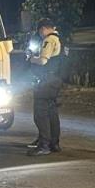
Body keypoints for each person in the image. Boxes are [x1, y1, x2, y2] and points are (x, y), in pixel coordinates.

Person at [27, 19, 64, 156]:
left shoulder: (49, 40)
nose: (40, 34)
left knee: (40, 113)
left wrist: (31, 59)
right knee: (52, 113)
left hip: (47, 80)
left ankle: (44, 145)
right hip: (56, 80)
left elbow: (43, 61)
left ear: (43, 29)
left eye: (40, 31)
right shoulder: (61, 39)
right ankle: (54, 144)